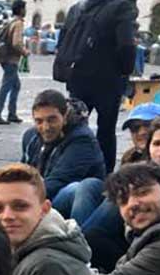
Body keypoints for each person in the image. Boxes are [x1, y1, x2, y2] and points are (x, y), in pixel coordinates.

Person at [81, 113, 160, 272]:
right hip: (134, 237)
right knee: (91, 195)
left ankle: (75, 246)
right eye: (156, 143)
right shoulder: (136, 168)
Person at [55, 0, 138, 172]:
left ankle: (68, 167)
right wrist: (126, 72)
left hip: (77, 76)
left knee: (73, 125)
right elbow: (126, 45)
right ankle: (104, 174)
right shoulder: (121, 6)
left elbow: (63, 40)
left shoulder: (78, 6)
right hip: (107, 79)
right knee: (106, 131)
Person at [19, 90, 105, 219]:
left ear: (65, 117)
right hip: (38, 196)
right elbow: (23, 172)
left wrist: (21, 198)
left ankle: (81, 238)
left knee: (76, 189)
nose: (46, 127)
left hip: (66, 198)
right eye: (39, 121)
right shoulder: (30, 136)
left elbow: (60, 180)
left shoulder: (82, 139)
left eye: (52, 119)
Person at [0, 0, 28, 125]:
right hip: (11, 59)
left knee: (16, 85)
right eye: (24, 8)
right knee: (6, 87)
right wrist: (24, 51)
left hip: (6, 58)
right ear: (21, 9)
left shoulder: (11, 21)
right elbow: (16, 42)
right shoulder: (18, 23)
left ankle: (12, 113)